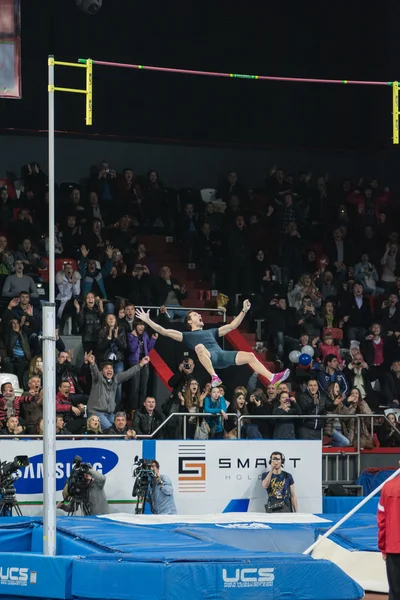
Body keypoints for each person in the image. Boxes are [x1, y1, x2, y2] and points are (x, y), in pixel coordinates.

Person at [135, 300, 289, 388]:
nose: (199, 315)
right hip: (209, 358)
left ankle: (271, 377)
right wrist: (148, 320)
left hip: (221, 356)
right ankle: (214, 376)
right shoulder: (186, 336)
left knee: (250, 355)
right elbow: (164, 331)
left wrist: (243, 310)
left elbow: (231, 326)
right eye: (196, 315)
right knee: (199, 347)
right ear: (190, 321)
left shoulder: (211, 331)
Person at [86, 351, 150, 431]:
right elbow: (94, 371)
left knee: (121, 428)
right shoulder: (98, 379)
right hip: (96, 412)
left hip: (109, 414)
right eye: (106, 368)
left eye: (111, 368)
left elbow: (128, 373)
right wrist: (92, 363)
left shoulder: (116, 379)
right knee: (111, 430)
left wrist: (141, 364)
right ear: (102, 372)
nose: (109, 370)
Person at [378, 464, 400, 600]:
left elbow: (382, 520)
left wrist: (383, 547)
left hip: (393, 547)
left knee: (395, 591)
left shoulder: (388, 487)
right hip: (392, 546)